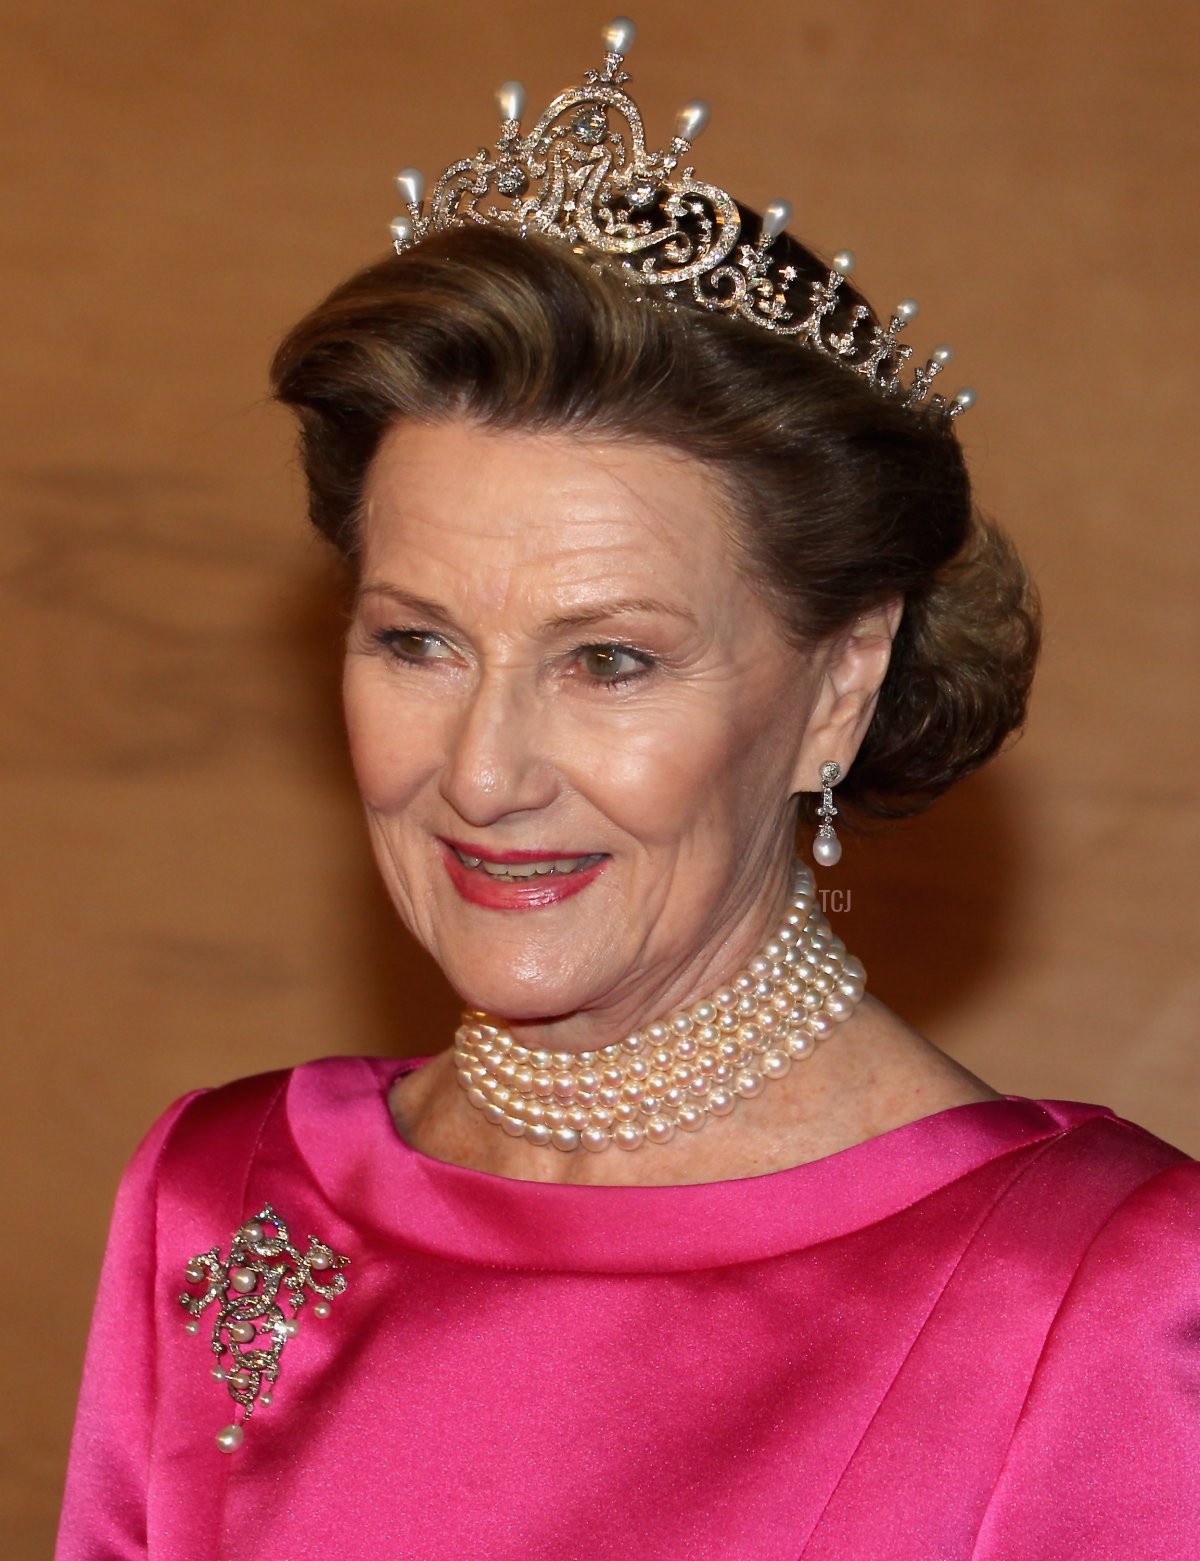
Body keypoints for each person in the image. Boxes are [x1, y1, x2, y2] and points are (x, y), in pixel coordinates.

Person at [57, 17, 1198, 1559]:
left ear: (837, 690)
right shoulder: (218, 1202)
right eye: (418, 641)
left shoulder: (1104, 1291)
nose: (480, 769)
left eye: (609, 661)